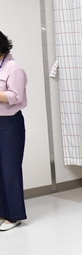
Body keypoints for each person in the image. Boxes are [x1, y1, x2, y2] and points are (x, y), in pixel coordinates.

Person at [0, 30, 28, 232]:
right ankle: (2, 212)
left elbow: (15, 96)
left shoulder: (14, 68)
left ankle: (14, 215)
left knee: (10, 170)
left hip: (9, 124)